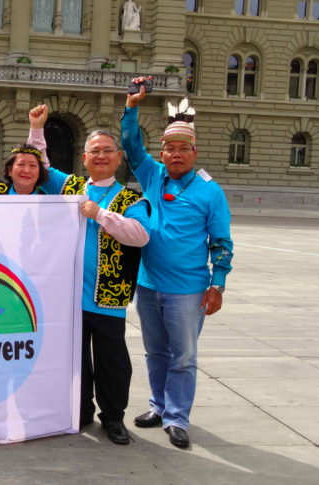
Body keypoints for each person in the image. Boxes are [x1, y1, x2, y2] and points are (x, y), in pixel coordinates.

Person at [123, 77, 233, 448]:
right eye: (169, 148)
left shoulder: (210, 191)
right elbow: (131, 145)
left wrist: (217, 284)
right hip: (148, 285)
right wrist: (132, 107)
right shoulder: (152, 175)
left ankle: (177, 417)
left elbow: (221, 242)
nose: (175, 155)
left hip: (188, 290)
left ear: (194, 153)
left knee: (183, 357)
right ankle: (159, 406)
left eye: (183, 149)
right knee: (156, 352)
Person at [40, 126, 151, 445]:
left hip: (107, 296)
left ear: (118, 159)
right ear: (84, 158)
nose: (100, 156)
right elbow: (41, 169)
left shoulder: (132, 198)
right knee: (74, 357)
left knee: (111, 360)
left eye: (107, 151)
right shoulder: (72, 186)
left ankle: (113, 417)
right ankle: (81, 409)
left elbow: (141, 235)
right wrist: (37, 128)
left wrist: (100, 214)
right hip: (69, 295)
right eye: (94, 151)